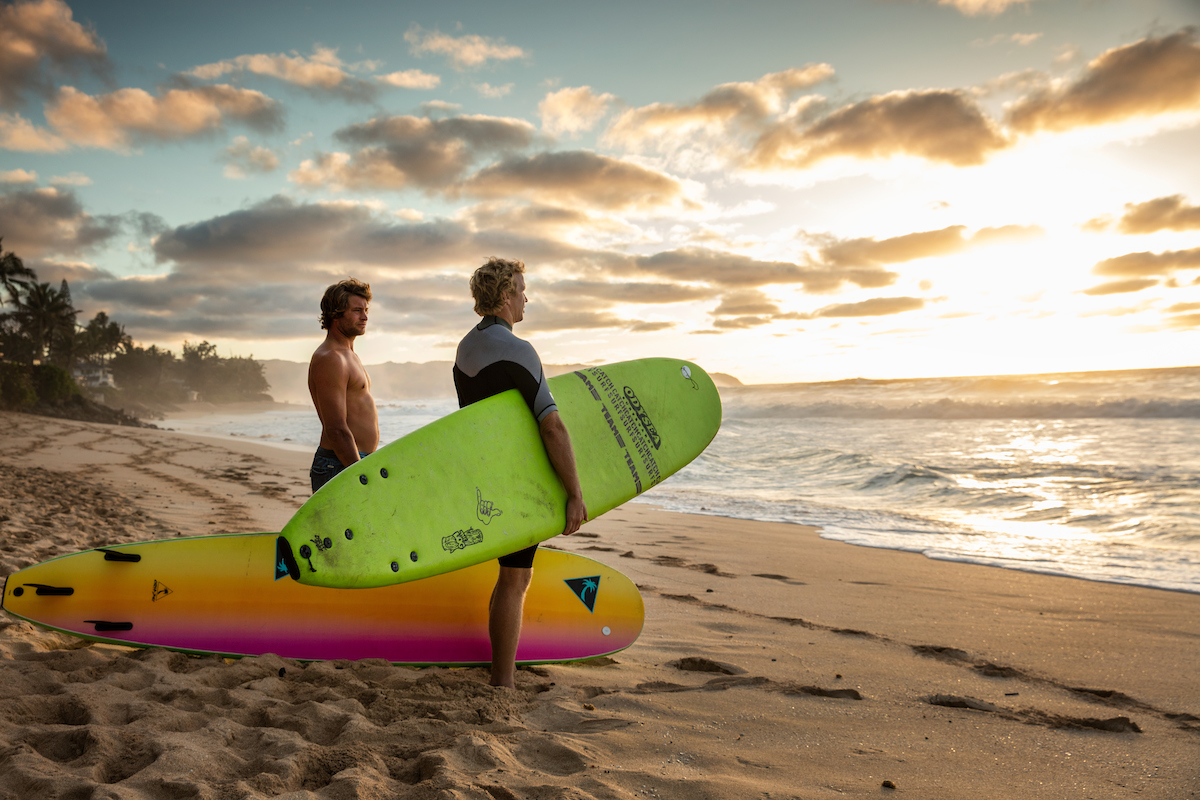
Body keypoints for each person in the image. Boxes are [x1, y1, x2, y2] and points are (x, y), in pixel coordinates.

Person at [453, 257, 587, 688]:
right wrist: (574, 493)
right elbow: (551, 425)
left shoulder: (465, 349)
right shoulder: (519, 350)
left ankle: (501, 675)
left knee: (512, 576)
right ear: (507, 295)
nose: (527, 297)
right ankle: (503, 682)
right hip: (515, 483)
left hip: (483, 478)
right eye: (522, 289)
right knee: (515, 579)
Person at [308, 278, 380, 492]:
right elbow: (336, 428)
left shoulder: (348, 354)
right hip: (340, 465)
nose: (365, 316)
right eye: (357, 310)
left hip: (352, 462)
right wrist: (359, 472)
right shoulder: (331, 358)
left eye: (366, 310)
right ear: (336, 314)